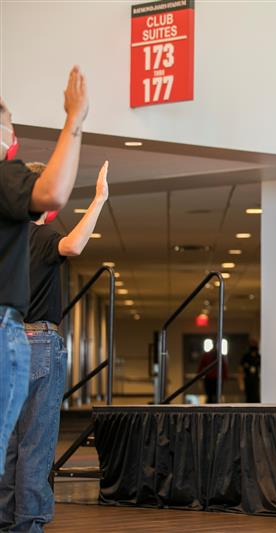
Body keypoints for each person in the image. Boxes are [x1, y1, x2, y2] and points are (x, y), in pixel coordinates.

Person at [0, 160, 109, 533]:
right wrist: (99, 199)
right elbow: (74, 245)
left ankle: (4, 517)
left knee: (8, 439)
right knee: (36, 439)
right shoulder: (42, 236)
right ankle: (28, 522)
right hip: (38, 341)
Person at [0, 66, 89, 475]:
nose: (12, 133)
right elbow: (53, 192)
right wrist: (74, 119)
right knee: (29, 446)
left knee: (12, 448)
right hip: (14, 329)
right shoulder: (5, 177)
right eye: (7, 123)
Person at [239, 339, 260, 403]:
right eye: (252, 344)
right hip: (247, 378)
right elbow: (241, 368)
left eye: (254, 344)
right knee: (248, 395)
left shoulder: (258, 356)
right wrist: (241, 382)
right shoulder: (246, 356)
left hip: (255, 378)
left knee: (255, 395)